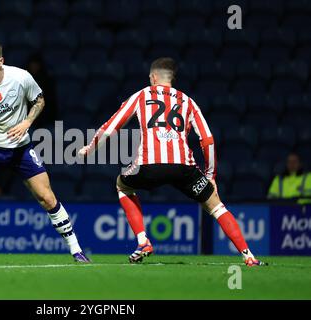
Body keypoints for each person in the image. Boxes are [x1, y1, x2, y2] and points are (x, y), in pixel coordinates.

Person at [79, 57, 266, 267]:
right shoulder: (188, 101)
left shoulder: (141, 95)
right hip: (184, 168)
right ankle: (248, 256)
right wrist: (211, 176)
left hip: (150, 166)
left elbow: (112, 125)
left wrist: (91, 147)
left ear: (154, 76)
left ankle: (143, 242)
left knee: (122, 186)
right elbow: (208, 140)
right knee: (216, 207)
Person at [0, 40, 90, 262]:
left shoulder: (21, 78)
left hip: (20, 148)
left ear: (1, 61)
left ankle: (76, 249)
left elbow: (39, 101)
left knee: (47, 198)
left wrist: (27, 122)